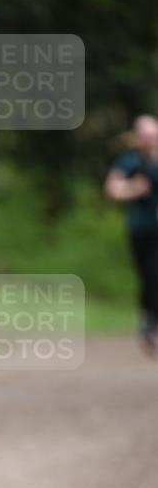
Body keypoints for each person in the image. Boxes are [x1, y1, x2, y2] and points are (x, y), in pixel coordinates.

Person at [104, 114, 158, 356]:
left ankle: (150, 323)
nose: (150, 139)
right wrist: (135, 188)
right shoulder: (131, 160)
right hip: (142, 228)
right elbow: (113, 189)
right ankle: (149, 321)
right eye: (146, 135)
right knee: (149, 274)